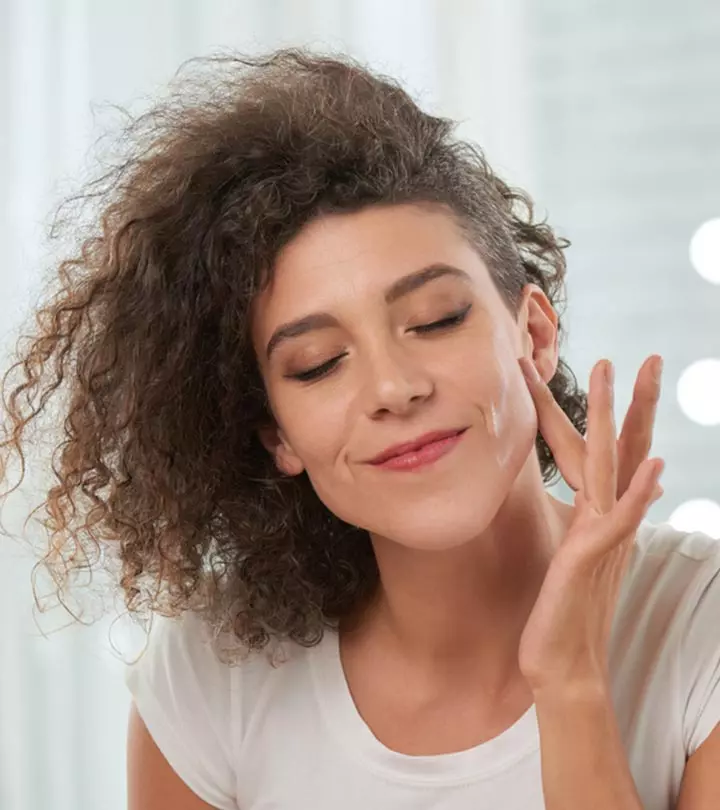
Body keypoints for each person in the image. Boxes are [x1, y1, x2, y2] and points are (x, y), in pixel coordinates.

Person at [1, 47, 718, 810]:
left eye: (436, 319)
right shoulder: (213, 677)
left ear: (533, 337)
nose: (394, 389)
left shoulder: (700, 622)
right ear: (276, 434)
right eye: (316, 364)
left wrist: (570, 680)